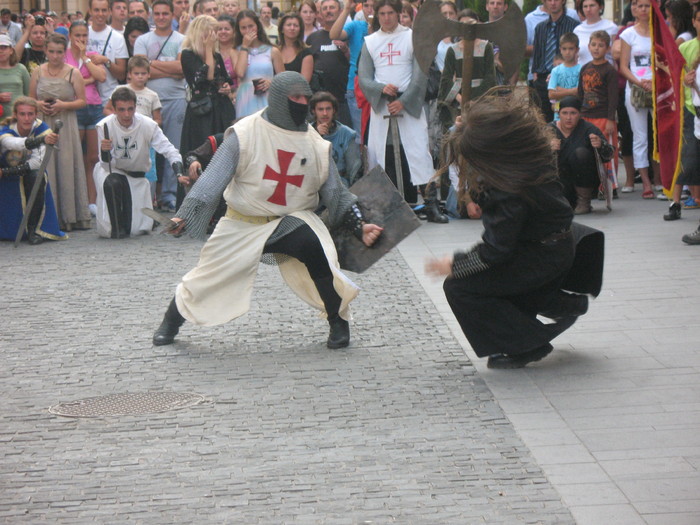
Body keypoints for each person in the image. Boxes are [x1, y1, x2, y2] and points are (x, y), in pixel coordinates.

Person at [151, 71, 383, 349]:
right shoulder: (246, 133)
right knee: (207, 274)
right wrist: (184, 216)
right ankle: (171, 322)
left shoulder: (314, 142)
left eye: (304, 98)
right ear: (279, 99)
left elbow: (334, 192)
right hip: (243, 221)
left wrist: (359, 225)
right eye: (295, 97)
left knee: (315, 249)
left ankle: (337, 321)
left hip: (290, 220)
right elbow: (213, 180)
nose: (301, 102)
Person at [426, 89, 600, 369]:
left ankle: (526, 344)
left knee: (460, 288)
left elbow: (496, 251)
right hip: (559, 245)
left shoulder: (506, 186)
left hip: (541, 257)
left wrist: (455, 264)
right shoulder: (527, 158)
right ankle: (556, 302)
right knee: (489, 278)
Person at [358, 0, 434, 205]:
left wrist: (404, 101)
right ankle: (387, 203)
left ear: (399, 13)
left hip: (409, 103)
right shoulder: (370, 41)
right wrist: (379, 88)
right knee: (383, 152)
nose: (386, 17)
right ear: (377, 15)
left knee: (418, 150)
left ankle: (431, 202)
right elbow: (364, 78)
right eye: (382, 13)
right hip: (382, 103)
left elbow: (420, 75)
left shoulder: (412, 37)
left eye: (390, 12)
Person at [94, 86, 183, 238]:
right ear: (114, 109)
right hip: (112, 172)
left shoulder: (148, 125)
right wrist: (104, 150)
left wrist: (179, 172)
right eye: (121, 110)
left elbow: (169, 150)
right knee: (112, 183)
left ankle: (137, 221)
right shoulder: (104, 126)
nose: (127, 114)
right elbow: (106, 163)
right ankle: (117, 229)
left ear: (136, 107)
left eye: (130, 109)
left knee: (136, 230)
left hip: (137, 177)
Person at [30, 33, 91, 232]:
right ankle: (47, 217)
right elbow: (30, 100)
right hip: (43, 123)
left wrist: (63, 105)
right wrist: (39, 105)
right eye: (51, 52)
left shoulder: (73, 72)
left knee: (65, 166)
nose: (55, 56)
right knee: (46, 167)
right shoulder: (37, 72)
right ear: (46, 51)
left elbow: (82, 101)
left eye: (59, 52)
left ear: (64, 53)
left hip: (66, 124)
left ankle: (70, 216)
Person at [134, 0, 187, 212]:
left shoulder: (182, 39)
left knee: (173, 148)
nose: (162, 17)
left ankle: (170, 195)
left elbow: (182, 68)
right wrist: (171, 69)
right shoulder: (142, 40)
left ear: (172, 14)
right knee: (147, 150)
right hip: (146, 101)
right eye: (157, 14)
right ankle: (147, 196)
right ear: (152, 15)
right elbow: (139, 69)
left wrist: (152, 64)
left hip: (176, 99)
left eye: (166, 13)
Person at [179, 15, 235, 203]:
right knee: (200, 153)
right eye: (212, 30)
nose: (216, 34)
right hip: (201, 114)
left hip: (220, 110)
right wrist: (209, 49)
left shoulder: (217, 55)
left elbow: (224, 78)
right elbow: (206, 77)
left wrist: (226, 87)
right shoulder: (188, 55)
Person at [0, 96, 65, 244]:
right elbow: (12, 144)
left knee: (37, 176)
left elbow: (37, 162)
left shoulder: (43, 130)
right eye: (22, 114)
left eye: (30, 114)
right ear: (16, 115)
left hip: (22, 172)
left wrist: (6, 172)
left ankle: (33, 229)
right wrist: (42, 140)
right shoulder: (6, 130)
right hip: (5, 176)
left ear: (36, 114)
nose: (27, 118)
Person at [65, 21, 108, 216]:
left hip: (94, 108)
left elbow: (101, 76)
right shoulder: (64, 57)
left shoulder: (91, 57)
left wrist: (85, 58)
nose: (81, 40)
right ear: (70, 36)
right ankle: (77, 200)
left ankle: (92, 201)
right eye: (77, 36)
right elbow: (68, 81)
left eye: (84, 36)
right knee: (76, 157)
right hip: (75, 107)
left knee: (93, 157)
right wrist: (87, 79)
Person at [619, 0, 659, 198]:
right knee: (640, 136)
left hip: (659, 89)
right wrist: (639, 82)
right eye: (640, 5)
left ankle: (660, 179)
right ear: (634, 9)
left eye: (647, 5)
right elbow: (623, 66)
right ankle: (645, 183)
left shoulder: (660, 32)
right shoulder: (628, 34)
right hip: (635, 90)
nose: (643, 9)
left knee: (659, 134)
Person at [550, 96, 613, 213]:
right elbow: (530, 157)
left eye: (573, 113)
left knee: (581, 153)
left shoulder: (588, 129)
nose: (568, 118)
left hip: (585, 180)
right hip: (559, 182)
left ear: (580, 114)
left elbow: (609, 154)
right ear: (559, 114)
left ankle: (584, 201)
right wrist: (546, 147)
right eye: (564, 113)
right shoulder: (549, 130)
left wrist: (600, 145)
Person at [437, 9, 496, 130]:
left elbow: (490, 76)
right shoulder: (453, 50)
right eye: (462, 25)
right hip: (459, 102)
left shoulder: (486, 47)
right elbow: (446, 79)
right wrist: (460, 98)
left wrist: (475, 99)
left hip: (482, 102)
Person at [578, 30, 618, 194]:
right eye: (593, 45)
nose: (596, 48)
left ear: (607, 48)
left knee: (606, 151)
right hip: (586, 116)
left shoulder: (609, 70)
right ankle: (594, 184)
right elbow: (580, 93)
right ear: (588, 46)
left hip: (603, 117)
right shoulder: (585, 68)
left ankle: (610, 186)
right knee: (589, 152)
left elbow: (613, 97)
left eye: (601, 45)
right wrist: (578, 114)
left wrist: (610, 119)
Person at [329, 0, 375, 141]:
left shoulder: (385, 28)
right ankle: (363, 163)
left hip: (379, 85)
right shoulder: (356, 26)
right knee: (361, 135)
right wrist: (347, 9)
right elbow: (334, 35)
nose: (370, 10)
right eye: (366, 6)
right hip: (356, 87)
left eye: (373, 6)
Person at [530, 0, 580, 122]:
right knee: (542, 120)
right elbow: (537, 53)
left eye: (556, 0)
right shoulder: (540, 28)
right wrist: (536, 76)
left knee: (561, 115)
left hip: (563, 79)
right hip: (542, 79)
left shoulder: (573, 25)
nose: (553, 3)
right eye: (549, 0)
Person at [307, 0, 352, 126]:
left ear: (340, 11)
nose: (328, 10)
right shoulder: (313, 37)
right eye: (325, 8)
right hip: (320, 102)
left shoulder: (348, 35)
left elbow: (355, 63)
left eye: (332, 7)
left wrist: (346, 51)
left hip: (343, 99)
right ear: (320, 13)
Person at [234, 10, 283, 119]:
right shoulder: (237, 51)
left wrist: (271, 82)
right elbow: (240, 73)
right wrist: (245, 47)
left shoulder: (273, 51)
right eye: (243, 28)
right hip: (246, 98)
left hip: (268, 96)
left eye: (251, 26)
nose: (248, 31)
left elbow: (283, 78)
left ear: (257, 26)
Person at [310, 91, 361, 186]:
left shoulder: (347, 134)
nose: (325, 113)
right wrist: (316, 135)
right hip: (314, 183)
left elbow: (353, 169)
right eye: (320, 109)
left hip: (339, 183)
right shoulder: (306, 133)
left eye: (328, 109)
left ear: (334, 110)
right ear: (314, 111)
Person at [86, 0, 129, 106]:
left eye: (104, 10)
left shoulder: (117, 38)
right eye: (96, 10)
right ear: (90, 11)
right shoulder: (82, 33)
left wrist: (106, 61)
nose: (100, 14)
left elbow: (121, 74)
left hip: (107, 99)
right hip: (85, 98)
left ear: (109, 11)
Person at [547, 32, 581, 121]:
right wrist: (572, 91)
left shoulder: (581, 69)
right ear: (560, 49)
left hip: (576, 113)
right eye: (564, 49)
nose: (567, 52)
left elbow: (579, 93)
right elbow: (551, 95)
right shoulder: (555, 70)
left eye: (571, 49)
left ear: (577, 50)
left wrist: (561, 91)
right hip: (558, 115)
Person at [573, 0, 618, 66]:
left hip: (605, 72)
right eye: (585, 6)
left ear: (600, 7)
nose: (588, 9)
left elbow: (615, 57)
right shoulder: (577, 30)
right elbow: (574, 56)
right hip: (582, 72)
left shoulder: (611, 27)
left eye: (592, 5)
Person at [0, 34, 30, 117]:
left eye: (4, 47)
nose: (1, 51)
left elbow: (29, 94)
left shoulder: (21, 68)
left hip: (19, 118)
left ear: (11, 50)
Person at [278, 13, 313, 82]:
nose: (292, 28)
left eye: (296, 25)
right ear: (282, 29)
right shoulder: (275, 50)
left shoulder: (306, 53)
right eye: (289, 25)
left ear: (300, 30)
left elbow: (304, 82)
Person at [216, 14, 240, 85]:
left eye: (227, 29)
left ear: (234, 31)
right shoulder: (210, 51)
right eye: (219, 29)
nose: (223, 32)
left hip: (236, 93)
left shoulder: (239, 50)